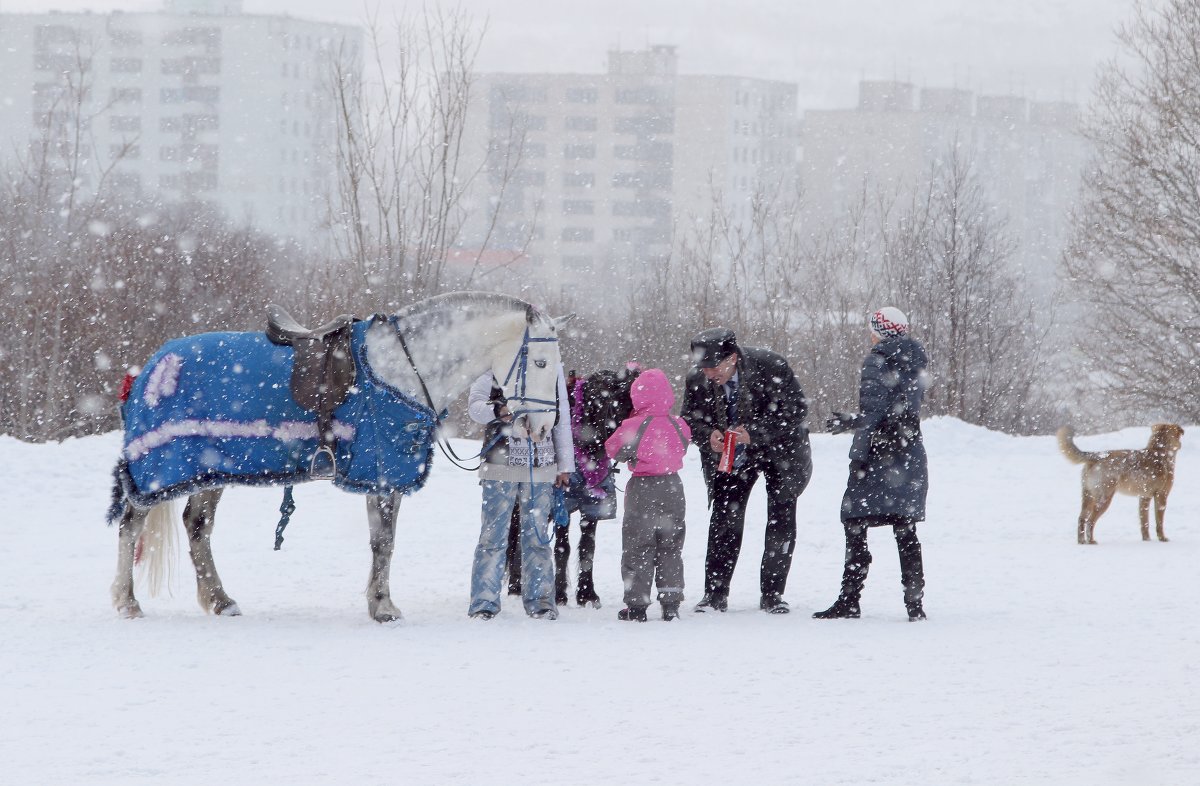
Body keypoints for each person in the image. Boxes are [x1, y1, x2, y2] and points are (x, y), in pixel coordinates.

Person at [682, 328, 812, 614]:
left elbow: (797, 410)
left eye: (714, 367)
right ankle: (715, 595)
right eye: (703, 368)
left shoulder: (770, 365)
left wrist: (756, 433)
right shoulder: (698, 379)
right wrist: (708, 436)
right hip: (733, 456)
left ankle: (773, 595)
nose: (709, 375)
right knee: (725, 518)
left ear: (732, 358)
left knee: (781, 519)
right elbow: (689, 420)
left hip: (781, 453)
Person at [815, 306, 928, 622]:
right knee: (905, 530)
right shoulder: (916, 361)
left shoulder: (877, 359)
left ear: (879, 331)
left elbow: (876, 411)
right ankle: (914, 604)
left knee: (855, 524)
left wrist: (855, 424)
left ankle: (850, 599)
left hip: (878, 457)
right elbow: (901, 410)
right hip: (909, 453)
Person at [466, 367, 574, 620]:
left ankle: (541, 602)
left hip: (541, 464)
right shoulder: (493, 365)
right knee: (493, 536)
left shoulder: (551, 367)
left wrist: (565, 465)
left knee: (537, 537)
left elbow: (562, 417)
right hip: (499, 464)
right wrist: (497, 411)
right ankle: (484, 603)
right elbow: (475, 407)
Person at [604, 368, 691, 622]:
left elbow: (613, 449)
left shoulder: (633, 426)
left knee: (638, 546)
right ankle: (671, 603)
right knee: (671, 546)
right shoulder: (679, 424)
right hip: (673, 486)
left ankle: (637, 605)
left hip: (643, 488)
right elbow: (684, 445)